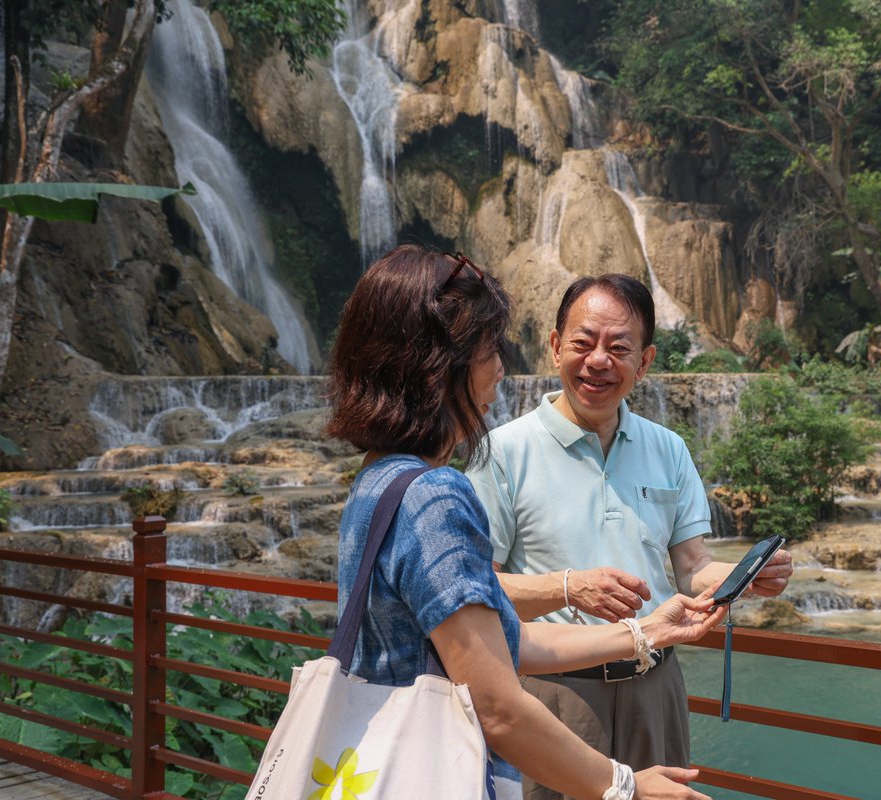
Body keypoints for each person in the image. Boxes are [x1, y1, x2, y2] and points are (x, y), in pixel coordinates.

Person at [325, 244, 728, 800]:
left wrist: (646, 632)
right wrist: (626, 786)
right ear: (442, 367)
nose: (500, 369)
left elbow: (498, 640)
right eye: (491, 350)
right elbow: (497, 704)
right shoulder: (435, 494)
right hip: (432, 763)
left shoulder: (379, 478)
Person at [466, 274, 794, 799]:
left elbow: (691, 564)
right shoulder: (500, 452)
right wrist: (570, 586)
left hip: (655, 681)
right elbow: (478, 587)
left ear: (644, 363)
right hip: (554, 691)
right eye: (583, 342)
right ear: (555, 347)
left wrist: (742, 579)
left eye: (619, 348)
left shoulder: (669, 448)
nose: (599, 361)